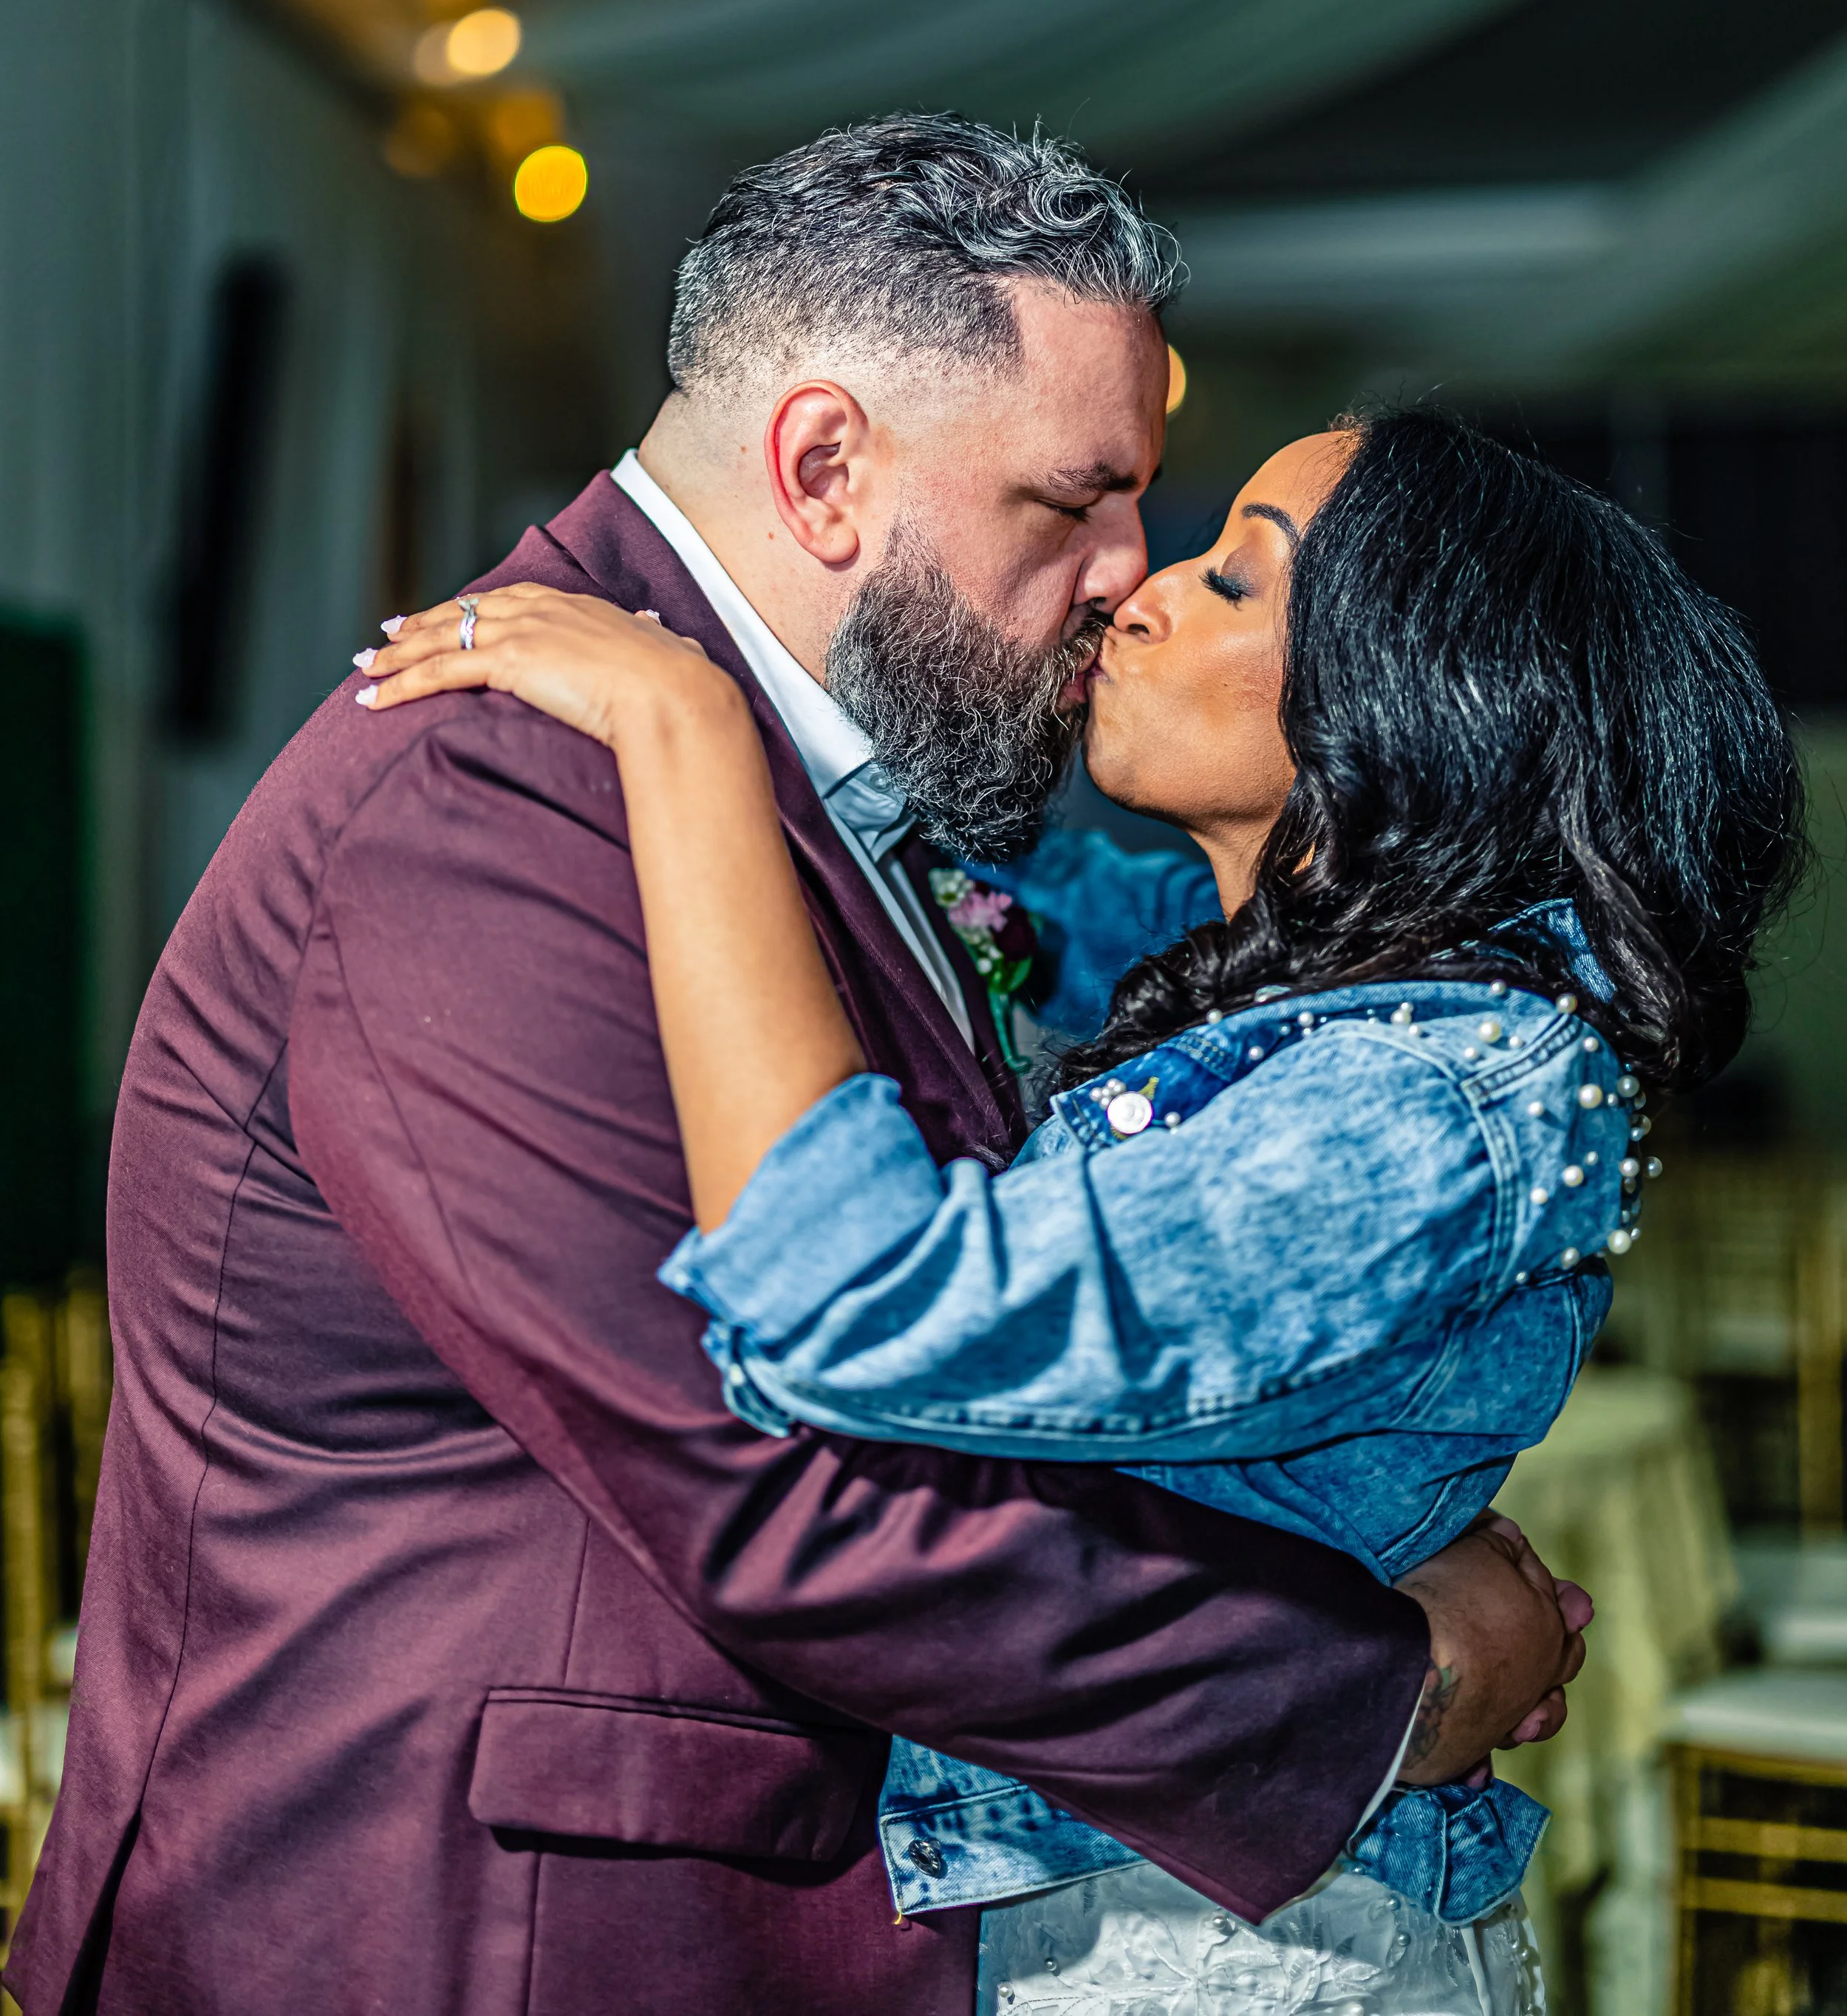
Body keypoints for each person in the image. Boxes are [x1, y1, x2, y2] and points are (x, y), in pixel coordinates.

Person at [9, 122, 1584, 2016]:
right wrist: (1364, 1693)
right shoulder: (503, 794)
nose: (1115, 576)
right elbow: (779, 1497)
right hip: (473, 1935)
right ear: (823, 466)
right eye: (1070, 503)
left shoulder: (808, 778)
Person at [355, 403, 1802, 2015]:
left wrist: (687, 732)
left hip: (1237, 1956)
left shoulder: (1434, 1098)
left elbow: (870, 1309)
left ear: (1409, 708)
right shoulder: (1256, 972)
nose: (1137, 591)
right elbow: (962, 899)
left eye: (1233, 583)